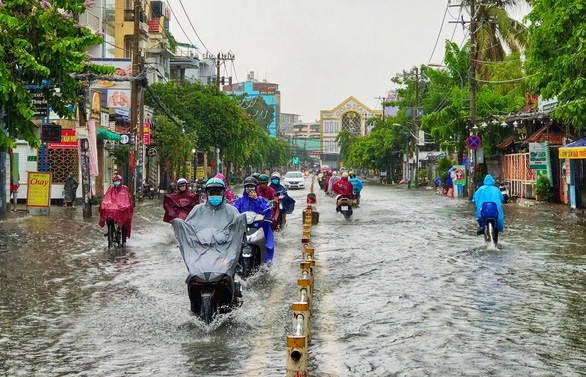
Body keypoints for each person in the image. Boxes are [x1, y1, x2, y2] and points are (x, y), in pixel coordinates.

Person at [233, 177, 275, 266]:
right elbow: (233, 211)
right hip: (242, 229)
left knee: (267, 241)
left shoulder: (262, 200)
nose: (250, 188)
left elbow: (267, 212)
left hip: (258, 228)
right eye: (248, 186)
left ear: (255, 187)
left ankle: (266, 263)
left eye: (252, 186)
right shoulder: (239, 201)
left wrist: (256, 200)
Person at [99, 175, 133, 242]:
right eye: (115, 181)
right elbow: (106, 199)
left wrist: (127, 205)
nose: (117, 182)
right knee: (107, 217)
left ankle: (123, 238)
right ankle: (110, 230)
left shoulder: (124, 189)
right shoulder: (110, 189)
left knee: (124, 225)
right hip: (112, 209)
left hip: (122, 210)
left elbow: (127, 199)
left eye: (118, 181)